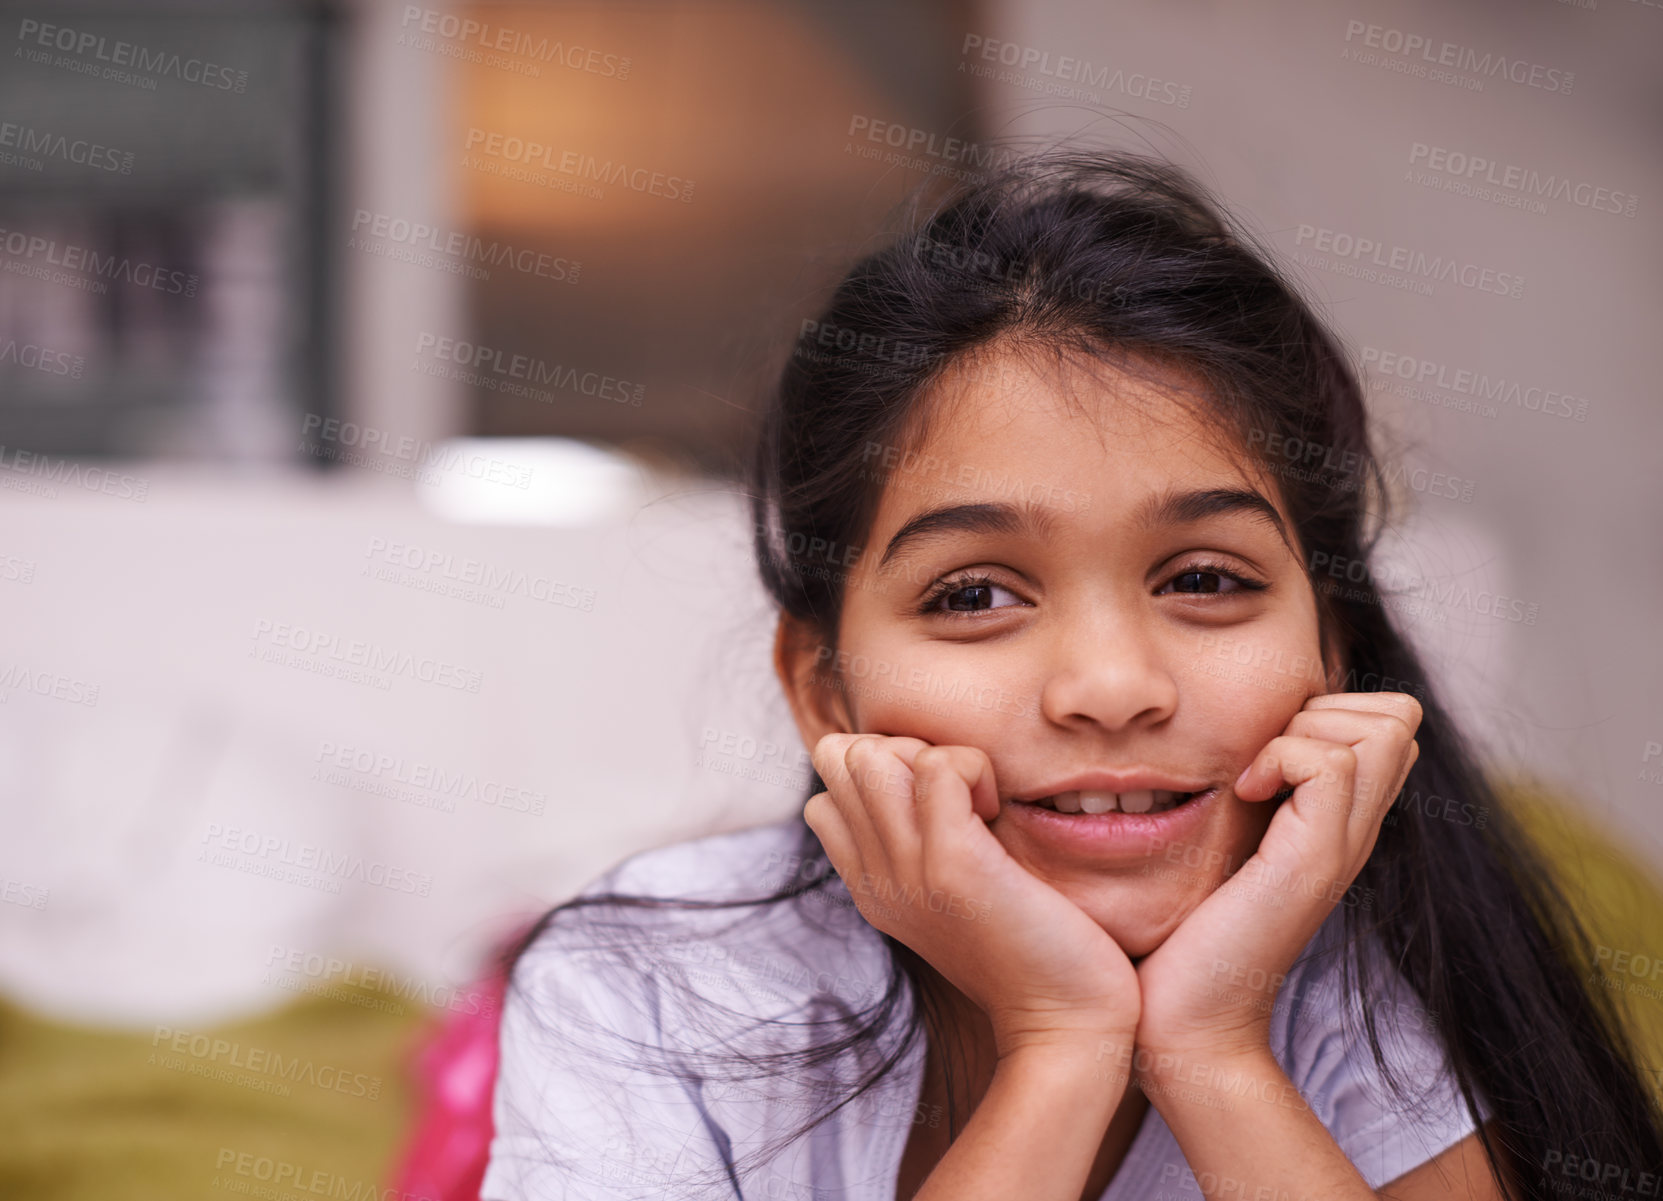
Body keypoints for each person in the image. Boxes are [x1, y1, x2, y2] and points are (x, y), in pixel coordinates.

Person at [479, 149, 1663, 1201]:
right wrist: (1060, 1043)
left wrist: (1211, 1047)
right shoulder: (644, 983)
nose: (1108, 687)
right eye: (975, 594)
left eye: (1203, 579)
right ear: (825, 691)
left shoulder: (1370, 982)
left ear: (1332, 653)